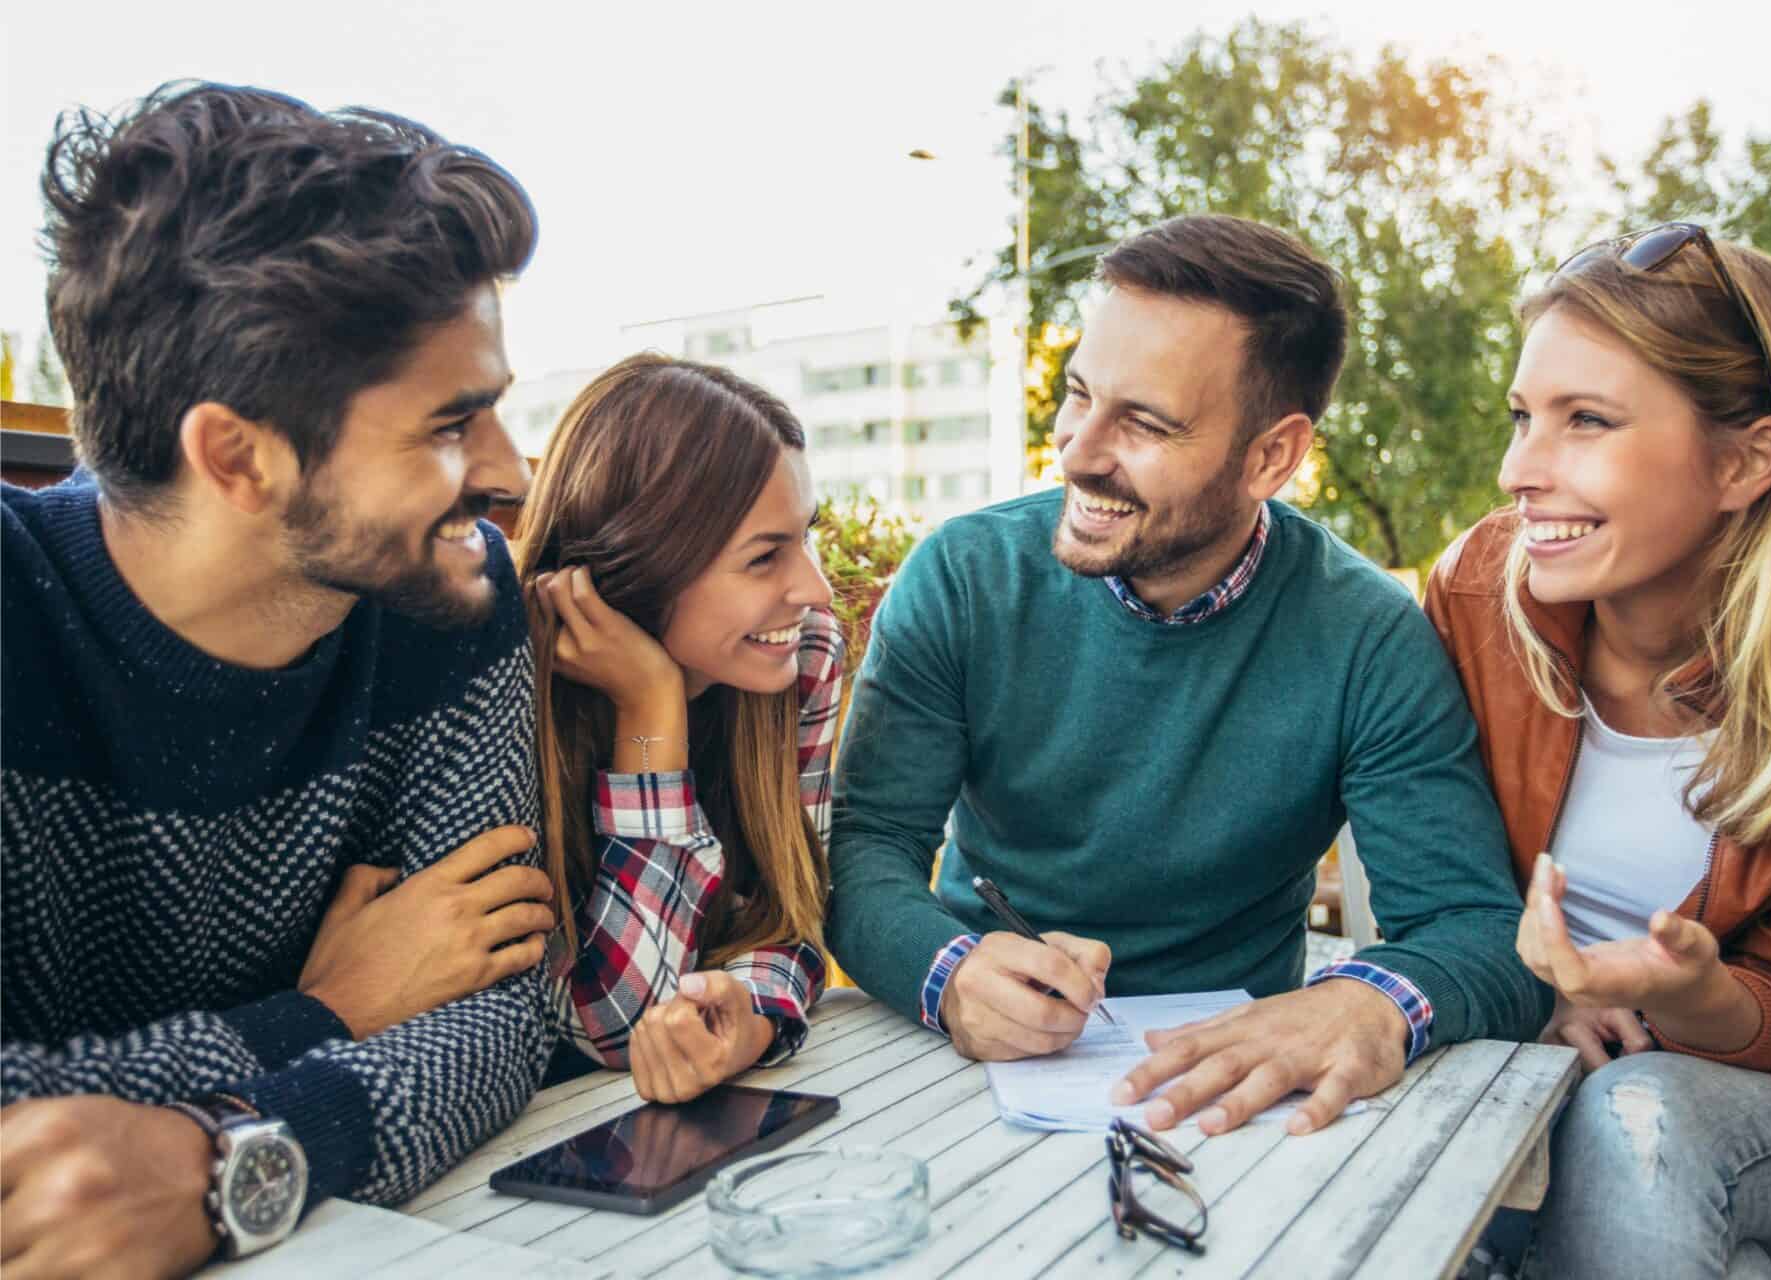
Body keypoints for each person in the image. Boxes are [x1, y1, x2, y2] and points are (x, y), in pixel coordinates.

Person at [826, 213, 1553, 1136]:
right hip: (966, 1068)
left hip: (1245, 1103)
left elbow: (1476, 928)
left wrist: (1369, 1002)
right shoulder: (964, 577)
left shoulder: (1369, 638)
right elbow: (864, 847)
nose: (1081, 451)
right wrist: (949, 971)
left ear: (1273, 457)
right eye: (1080, 394)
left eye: (1145, 423)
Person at [1, 82, 555, 1275]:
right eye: (452, 424)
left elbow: (499, 1005)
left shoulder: (451, 595)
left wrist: (236, 1158)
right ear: (239, 457)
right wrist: (325, 1014)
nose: (509, 474)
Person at [1421, 223, 1771, 1279]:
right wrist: (1545, 991)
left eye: (1585, 421)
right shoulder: (1473, 595)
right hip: (1547, 1068)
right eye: (1522, 418)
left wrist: (1686, 990)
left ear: (1745, 460)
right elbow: (1442, 896)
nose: (1519, 469)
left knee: (1640, 1117)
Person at [514, 354, 841, 1103]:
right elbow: (614, 1030)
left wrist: (753, 1016)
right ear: (640, 565)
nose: (815, 590)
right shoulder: (506, 692)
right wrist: (652, 715)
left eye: (805, 537)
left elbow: (794, 922)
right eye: (765, 557)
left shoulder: (805, 659)